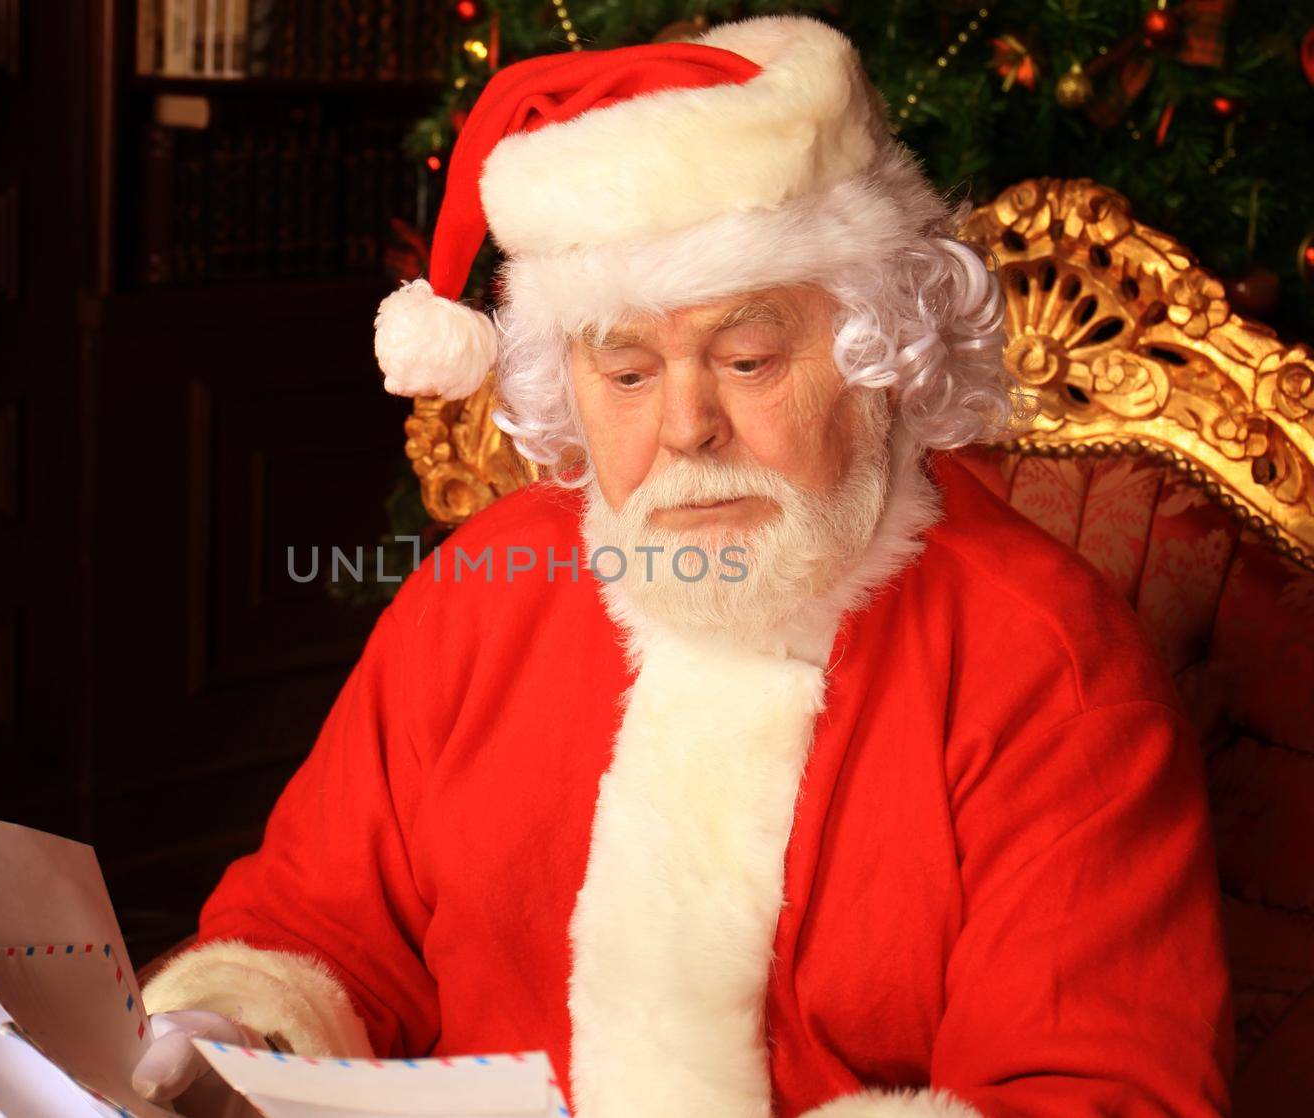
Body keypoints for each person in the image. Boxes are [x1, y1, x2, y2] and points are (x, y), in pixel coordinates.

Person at [131, 14, 1233, 1118]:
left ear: (875, 355)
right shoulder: (479, 591)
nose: (686, 426)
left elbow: (1098, 1092)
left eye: (747, 359)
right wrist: (229, 1033)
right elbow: (318, 923)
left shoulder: (1046, 662)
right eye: (624, 373)